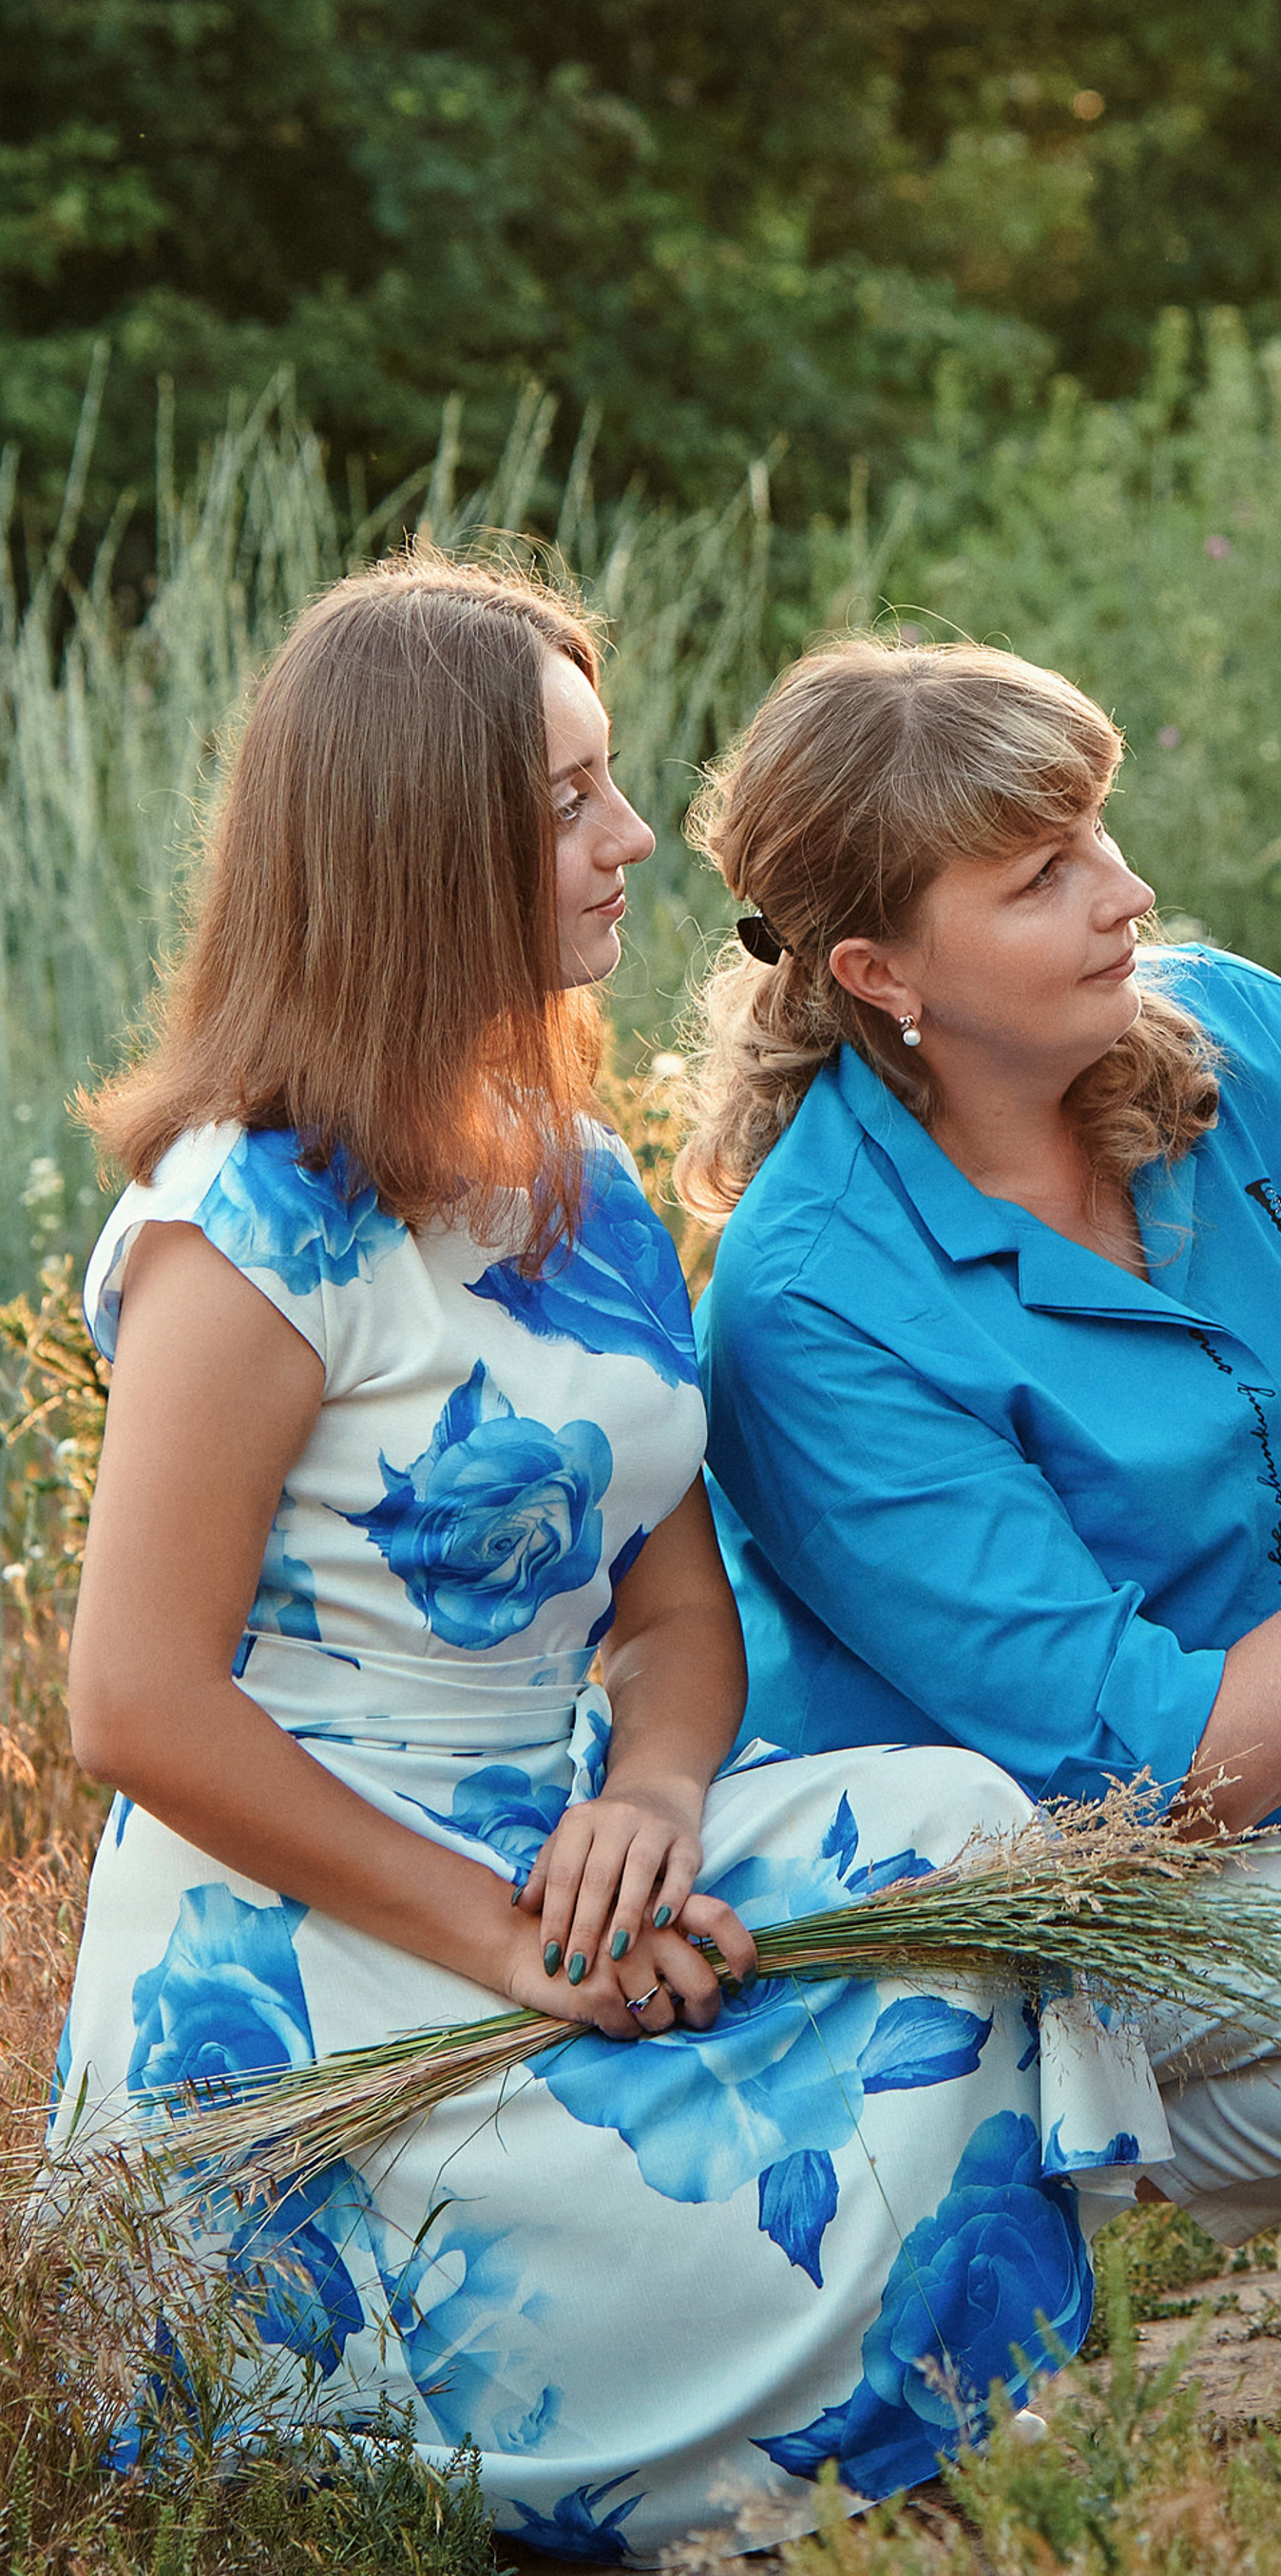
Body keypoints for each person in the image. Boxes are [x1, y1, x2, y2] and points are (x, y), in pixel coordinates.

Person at [55, 554, 1161, 2556]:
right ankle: (669, 2437)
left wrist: (649, 1794)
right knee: (667, 2146)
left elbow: (672, 1619)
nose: (633, 840)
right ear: (420, 842)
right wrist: (499, 1941)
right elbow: (131, 1701)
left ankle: (839, 2372)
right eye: (568, 800)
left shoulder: (576, 1175)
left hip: (557, 1849)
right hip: (303, 1931)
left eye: (606, 781)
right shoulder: (249, 1224)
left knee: (963, 1826)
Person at [685, 636, 1281, 2244]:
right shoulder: (812, 1307)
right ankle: (1043, 2162)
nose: (1126, 893)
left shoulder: (1237, 1043)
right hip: (1022, 1898)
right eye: (1041, 876)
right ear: (880, 973)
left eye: (1102, 830)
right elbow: (1153, 1774)